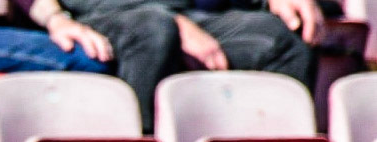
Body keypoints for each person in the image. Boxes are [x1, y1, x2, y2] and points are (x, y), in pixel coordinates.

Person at [56, 0, 319, 130]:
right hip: (101, 17)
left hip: (188, 15)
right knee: (155, 30)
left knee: (279, 40)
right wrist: (173, 22)